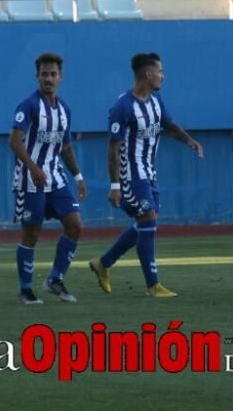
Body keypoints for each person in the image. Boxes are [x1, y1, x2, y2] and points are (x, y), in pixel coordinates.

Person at [88, 53, 203, 298]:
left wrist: (189, 140)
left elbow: (169, 124)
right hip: (131, 172)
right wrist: (115, 185)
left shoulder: (156, 101)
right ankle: (153, 285)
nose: (163, 76)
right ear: (147, 74)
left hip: (149, 170)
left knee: (146, 222)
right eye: (160, 71)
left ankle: (103, 263)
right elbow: (113, 148)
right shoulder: (123, 106)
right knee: (148, 218)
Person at [10, 53, 88, 305]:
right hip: (30, 178)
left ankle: (55, 279)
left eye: (53, 74)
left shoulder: (64, 109)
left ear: (60, 77)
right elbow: (14, 141)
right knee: (31, 232)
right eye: (44, 74)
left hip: (56, 177)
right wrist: (32, 168)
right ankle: (25, 289)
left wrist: (78, 176)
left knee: (75, 225)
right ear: (37, 77)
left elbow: (65, 147)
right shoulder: (28, 106)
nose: (48, 78)